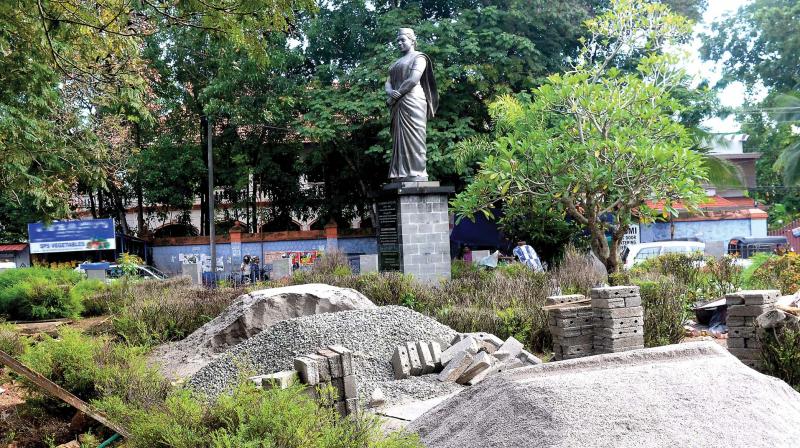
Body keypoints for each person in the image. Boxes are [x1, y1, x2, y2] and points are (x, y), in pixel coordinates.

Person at [385, 28, 439, 181]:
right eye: (398, 41)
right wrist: (390, 93)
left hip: (413, 101)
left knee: (416, 137)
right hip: (398, 103)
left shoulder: (419, 57)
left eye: (403, 40)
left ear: (412, 40)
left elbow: (413, 79)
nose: (400, 43)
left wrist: (395, 96)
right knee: (399, 139)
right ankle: (400, 173)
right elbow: (388, 83)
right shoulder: (395, 63)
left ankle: (417, 173)